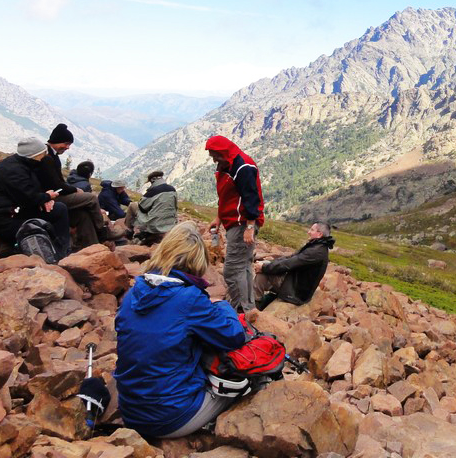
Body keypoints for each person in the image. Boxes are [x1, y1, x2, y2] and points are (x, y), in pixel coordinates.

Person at [114, 222, 246, 439]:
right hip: (169, 417)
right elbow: (233, 335)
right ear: (195, 263)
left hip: (130, 412)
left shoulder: (134, 292)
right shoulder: (189, 299)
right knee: (245, 380)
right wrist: (221, 305)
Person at [0, 137, 71, 260]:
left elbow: (29, 192)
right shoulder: (13, 170)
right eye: (43, 154)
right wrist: (47, 196)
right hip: (0, 221)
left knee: (59, 209)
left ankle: (63, 251)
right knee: (42, 227)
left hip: (14, 212)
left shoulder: (22, 165)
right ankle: (53, 257)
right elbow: (28, 197)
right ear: (34, 155)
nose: (45, 156)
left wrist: (44, 199)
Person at [205, 136, 264, 313]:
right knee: (244, 266)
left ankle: (240, 310)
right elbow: (227, 196)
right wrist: (219, 217)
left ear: (223, 152)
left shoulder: (243, 167)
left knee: (232, 270)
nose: (214, 159)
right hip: (233, 221)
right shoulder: (226, 164)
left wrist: (250, 227)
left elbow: (251, 198)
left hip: (241, 223)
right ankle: (247, 306)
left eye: (215, 155)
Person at [36, 124, 108, 250]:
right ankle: (102, 230)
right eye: (66, 143)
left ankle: (94, 247)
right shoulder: (47, 157)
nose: (67, 147)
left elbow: (57, 182)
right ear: (56, 140)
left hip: (53, 196)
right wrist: (75, 190)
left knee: (82, 215)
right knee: (91, 198)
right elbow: (56, 185)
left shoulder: (52, 156)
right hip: (50, 199)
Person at [254, 222, 335, 309]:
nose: (308, 232)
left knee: (262, 273)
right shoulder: (317, 247)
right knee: (266, 266)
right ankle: (256, 302)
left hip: (296, 293)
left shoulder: (316, 252)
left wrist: (264, 267)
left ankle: (254, 305)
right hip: (295, 285)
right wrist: (269, 263)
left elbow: (288, 264)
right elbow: (291, 258)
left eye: (312, 230)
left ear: (319, 234)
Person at [126, 170, 178, 245]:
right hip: (170, 224)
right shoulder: (172, 189)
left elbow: (142, 208)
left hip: (154, 225)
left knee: (132, 205)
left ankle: (129, 230)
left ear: (153, 180)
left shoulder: (152, 192)